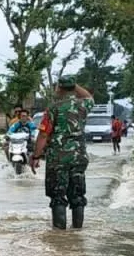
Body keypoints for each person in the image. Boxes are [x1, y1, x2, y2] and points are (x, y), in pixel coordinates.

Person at [29, 75, 95, 230]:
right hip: (79, 156)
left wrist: (36, 156)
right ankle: (77, 233)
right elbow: (88, 96)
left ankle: (60, 236)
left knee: (58, 196)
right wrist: (73, 85)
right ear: (73, 87)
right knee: (77, 195)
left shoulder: (53, 108)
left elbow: (44, 135)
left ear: (59, 88)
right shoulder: (84, 105)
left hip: (58, 158)